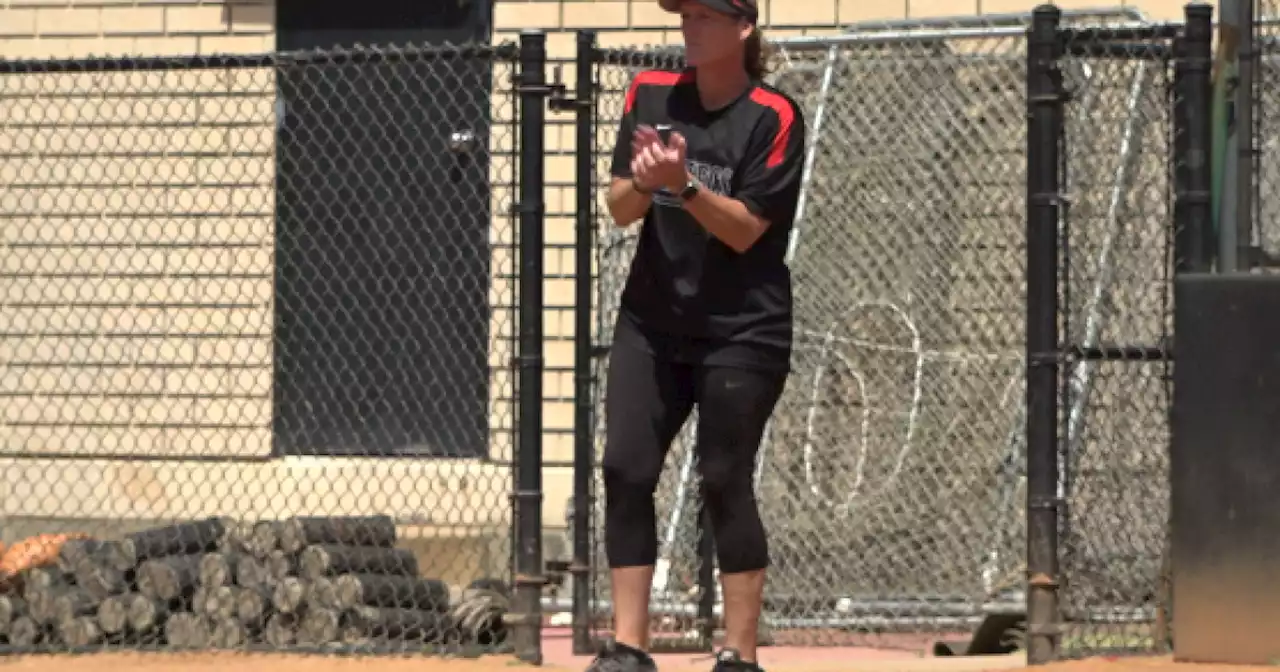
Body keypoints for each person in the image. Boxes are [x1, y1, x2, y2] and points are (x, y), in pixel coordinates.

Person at [586, 0, 805, 670]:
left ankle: (738, 655)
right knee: (625, 468)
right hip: (652, 321)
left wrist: (682, 185)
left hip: (743, 329)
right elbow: (619, 208)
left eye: (706, 15)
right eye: (684, 13)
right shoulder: (651, 93)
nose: (690, 25)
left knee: (722, 478)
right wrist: (650, 185)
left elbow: (745, 229)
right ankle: (629, 649)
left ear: (743, 27)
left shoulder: (775, 115)